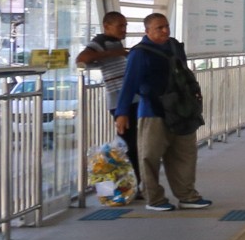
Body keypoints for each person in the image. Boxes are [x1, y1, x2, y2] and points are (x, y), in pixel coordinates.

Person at [115, 13, 212, 213]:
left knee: (185, 154)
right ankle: (154, 198)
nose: (165, 31)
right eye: (159, 28)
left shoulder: (175, 46)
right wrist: (122, 113)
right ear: (147, 31)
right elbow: (129, 84)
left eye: (166, 26)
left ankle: (187, 195)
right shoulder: (139, 53)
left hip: (182, 110)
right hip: (152, 112)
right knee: (149, 155)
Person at [76, 11, 132, 169]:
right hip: (118, 99)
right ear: (107, 26)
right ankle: (127, 182)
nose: (124, 29)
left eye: (125, 25)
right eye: (120, 26)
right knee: (128, 142)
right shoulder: (101, 41)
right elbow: (81, 59)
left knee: (133, 140)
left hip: (128, 97)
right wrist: (117, 53)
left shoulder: (116, 42)